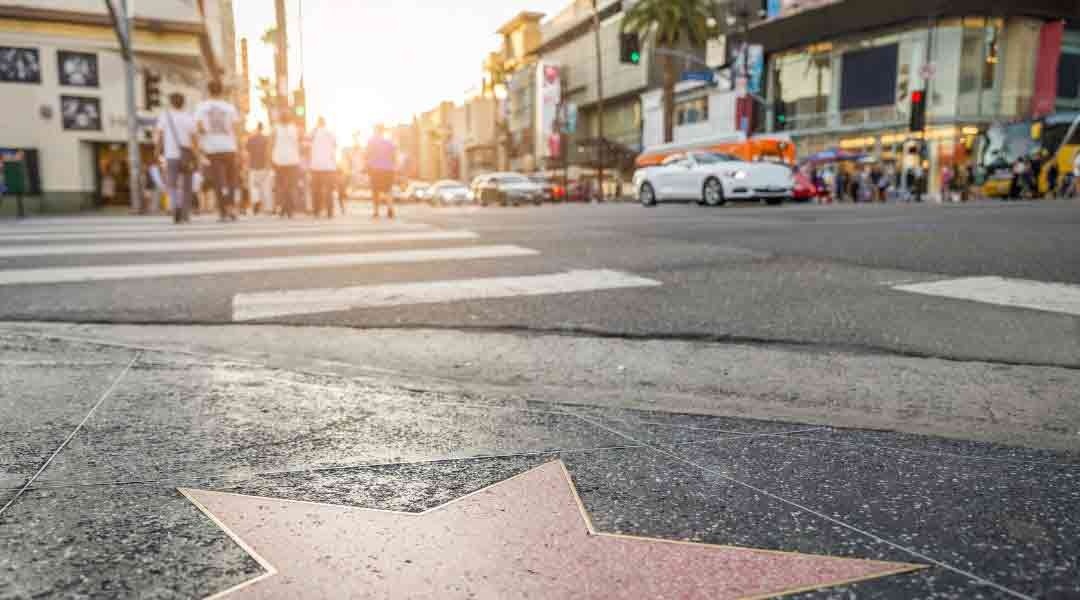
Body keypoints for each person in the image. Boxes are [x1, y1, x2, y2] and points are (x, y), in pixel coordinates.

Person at [194, 80, 241, 222]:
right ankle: (231, 207)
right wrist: (238, 147)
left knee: (218, 181)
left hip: (212, 148)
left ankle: (223, 211)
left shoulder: (202, 107)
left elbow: (199, 127)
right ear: (222, 91)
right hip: (230, 147)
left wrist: (203, 140)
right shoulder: (230, 108)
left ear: (209, 91)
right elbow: (236, 128)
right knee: (232, 180)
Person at [154, 92, 197, 224]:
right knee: (187, 186)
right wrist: (197, 154)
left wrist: (156, 151)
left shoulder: (165, 117)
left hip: (171, 155)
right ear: (183, 103)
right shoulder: (188, 117)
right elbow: (194, 137)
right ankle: (185, 214)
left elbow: (160, 135)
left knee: (172, 185)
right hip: (186, 155)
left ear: (171, 103)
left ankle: (175, 207)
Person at [271, 111, 302, 218]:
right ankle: (290, 209)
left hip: (279, 161)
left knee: (281, 186)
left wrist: (270, 160)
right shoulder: (295, 129)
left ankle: (283, 208)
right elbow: (300, 143)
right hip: (293, 160)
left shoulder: (275, 129)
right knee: (291, 186)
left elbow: (271, 144)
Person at [366, 124, 398, 219]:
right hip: (388, 169)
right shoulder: (389, 143)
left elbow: (367, 154)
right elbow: (394, 156)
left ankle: (376, 212)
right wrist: (394, 167)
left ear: (375, 130)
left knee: (375, 191)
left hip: (375, 169)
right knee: (388, 190)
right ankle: (390, 209)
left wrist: (367, 166)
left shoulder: (371, 141)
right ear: (383, 131)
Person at [309, 116, 338, 218]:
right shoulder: (330, 132)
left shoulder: (313, 132)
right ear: (325, 123)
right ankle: (330, 212)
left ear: (318, 123)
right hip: (329, 166)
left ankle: (316, 211)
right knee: (329, 190)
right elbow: (335, 145)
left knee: (316, 190)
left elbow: (307, 142)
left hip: (316, 166)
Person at [245, 122, 272, 215]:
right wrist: (269, 165)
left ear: (257, 128)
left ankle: (256, 202)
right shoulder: (266, 139)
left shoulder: (251, 139)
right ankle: (268, 208)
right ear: (262, 128)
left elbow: (247, 153)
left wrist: (247, 166)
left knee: (254, 187)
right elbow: (268, 152)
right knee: (265, 187)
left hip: (253, 166)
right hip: (264, 166)